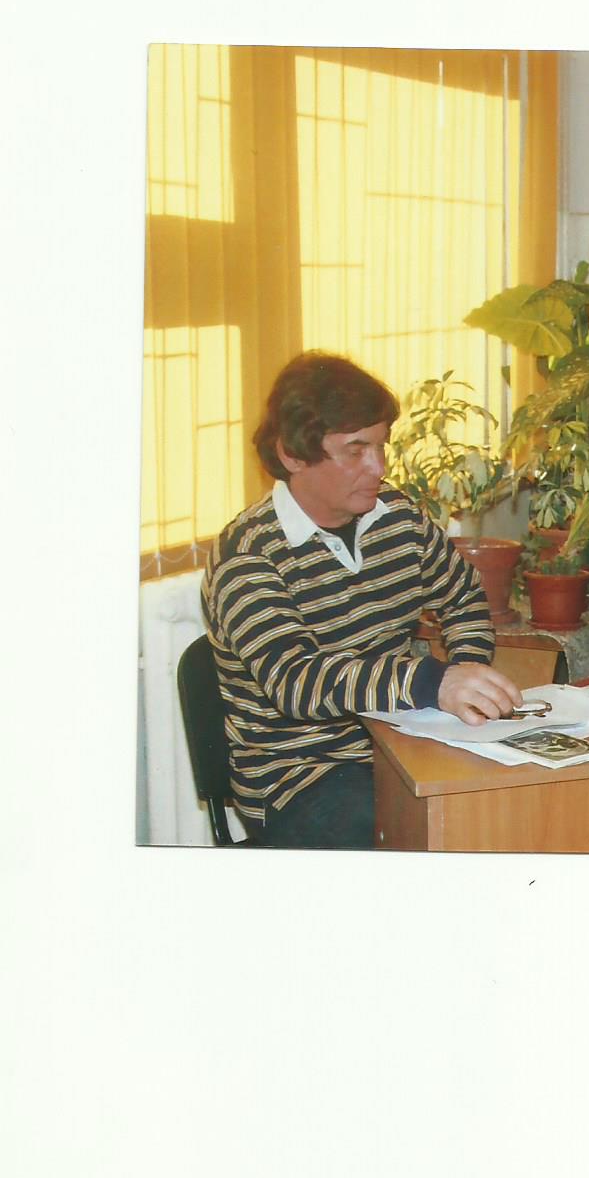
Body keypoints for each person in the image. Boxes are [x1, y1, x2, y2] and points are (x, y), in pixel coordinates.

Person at [202, 351, 526, 848]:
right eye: (355, 450)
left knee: (513, 812)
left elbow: (462, 595)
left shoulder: (397, 516)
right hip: (300, 775)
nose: (379, 466)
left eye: (380, 445)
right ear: (292, 455)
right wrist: (433, 681)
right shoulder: (247, 553)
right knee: (417, 840)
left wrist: (467, 673)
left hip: (402, 744)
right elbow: (297, 681)